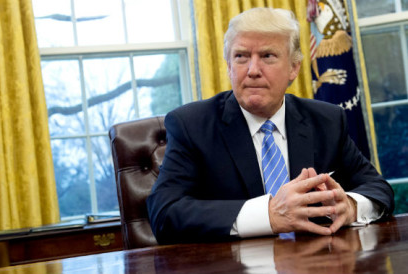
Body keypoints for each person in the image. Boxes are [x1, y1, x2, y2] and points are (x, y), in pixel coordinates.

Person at [146, 7, 394, 244]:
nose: (253, 70)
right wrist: (269, 215)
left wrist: (350, 206)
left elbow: (378, 189)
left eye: (267, 56)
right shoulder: (191, 125)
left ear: (294, 68)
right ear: (229, 66)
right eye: (241, 56)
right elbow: (164, 213)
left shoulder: (327, 121)